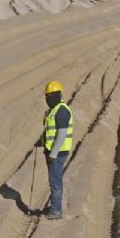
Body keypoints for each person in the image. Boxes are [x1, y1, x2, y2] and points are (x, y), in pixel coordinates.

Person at [42, 80, 72, 220]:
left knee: (55, 182)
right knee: (54, 180)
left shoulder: (61, 111)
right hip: (52, 151)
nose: (48, 98)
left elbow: (62, 133)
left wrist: (53, 154)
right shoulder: (53, 110)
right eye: (47, 95)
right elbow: (51, 131)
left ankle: (56, 210)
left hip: (58, 153)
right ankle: (55, 206)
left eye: (51, 95)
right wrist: (41, 142)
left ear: (59, 94)